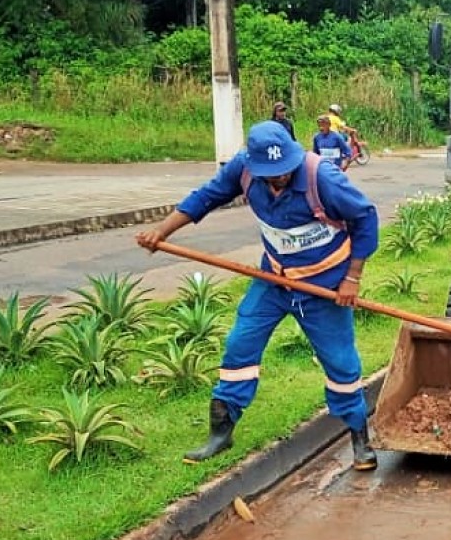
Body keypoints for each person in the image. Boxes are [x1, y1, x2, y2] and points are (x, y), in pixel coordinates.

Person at [134, 121, 380, 471]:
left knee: (341, 363)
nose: (278, 179)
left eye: (283, 172)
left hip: (323, 286)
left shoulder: (321, 177)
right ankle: (222, 431)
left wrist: (352, 279)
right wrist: (161, 230)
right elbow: (205, 196)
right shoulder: (244, 169)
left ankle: (359, 437)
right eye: (271, 174)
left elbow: (365, 218)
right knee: (240, 345)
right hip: (273, 278)